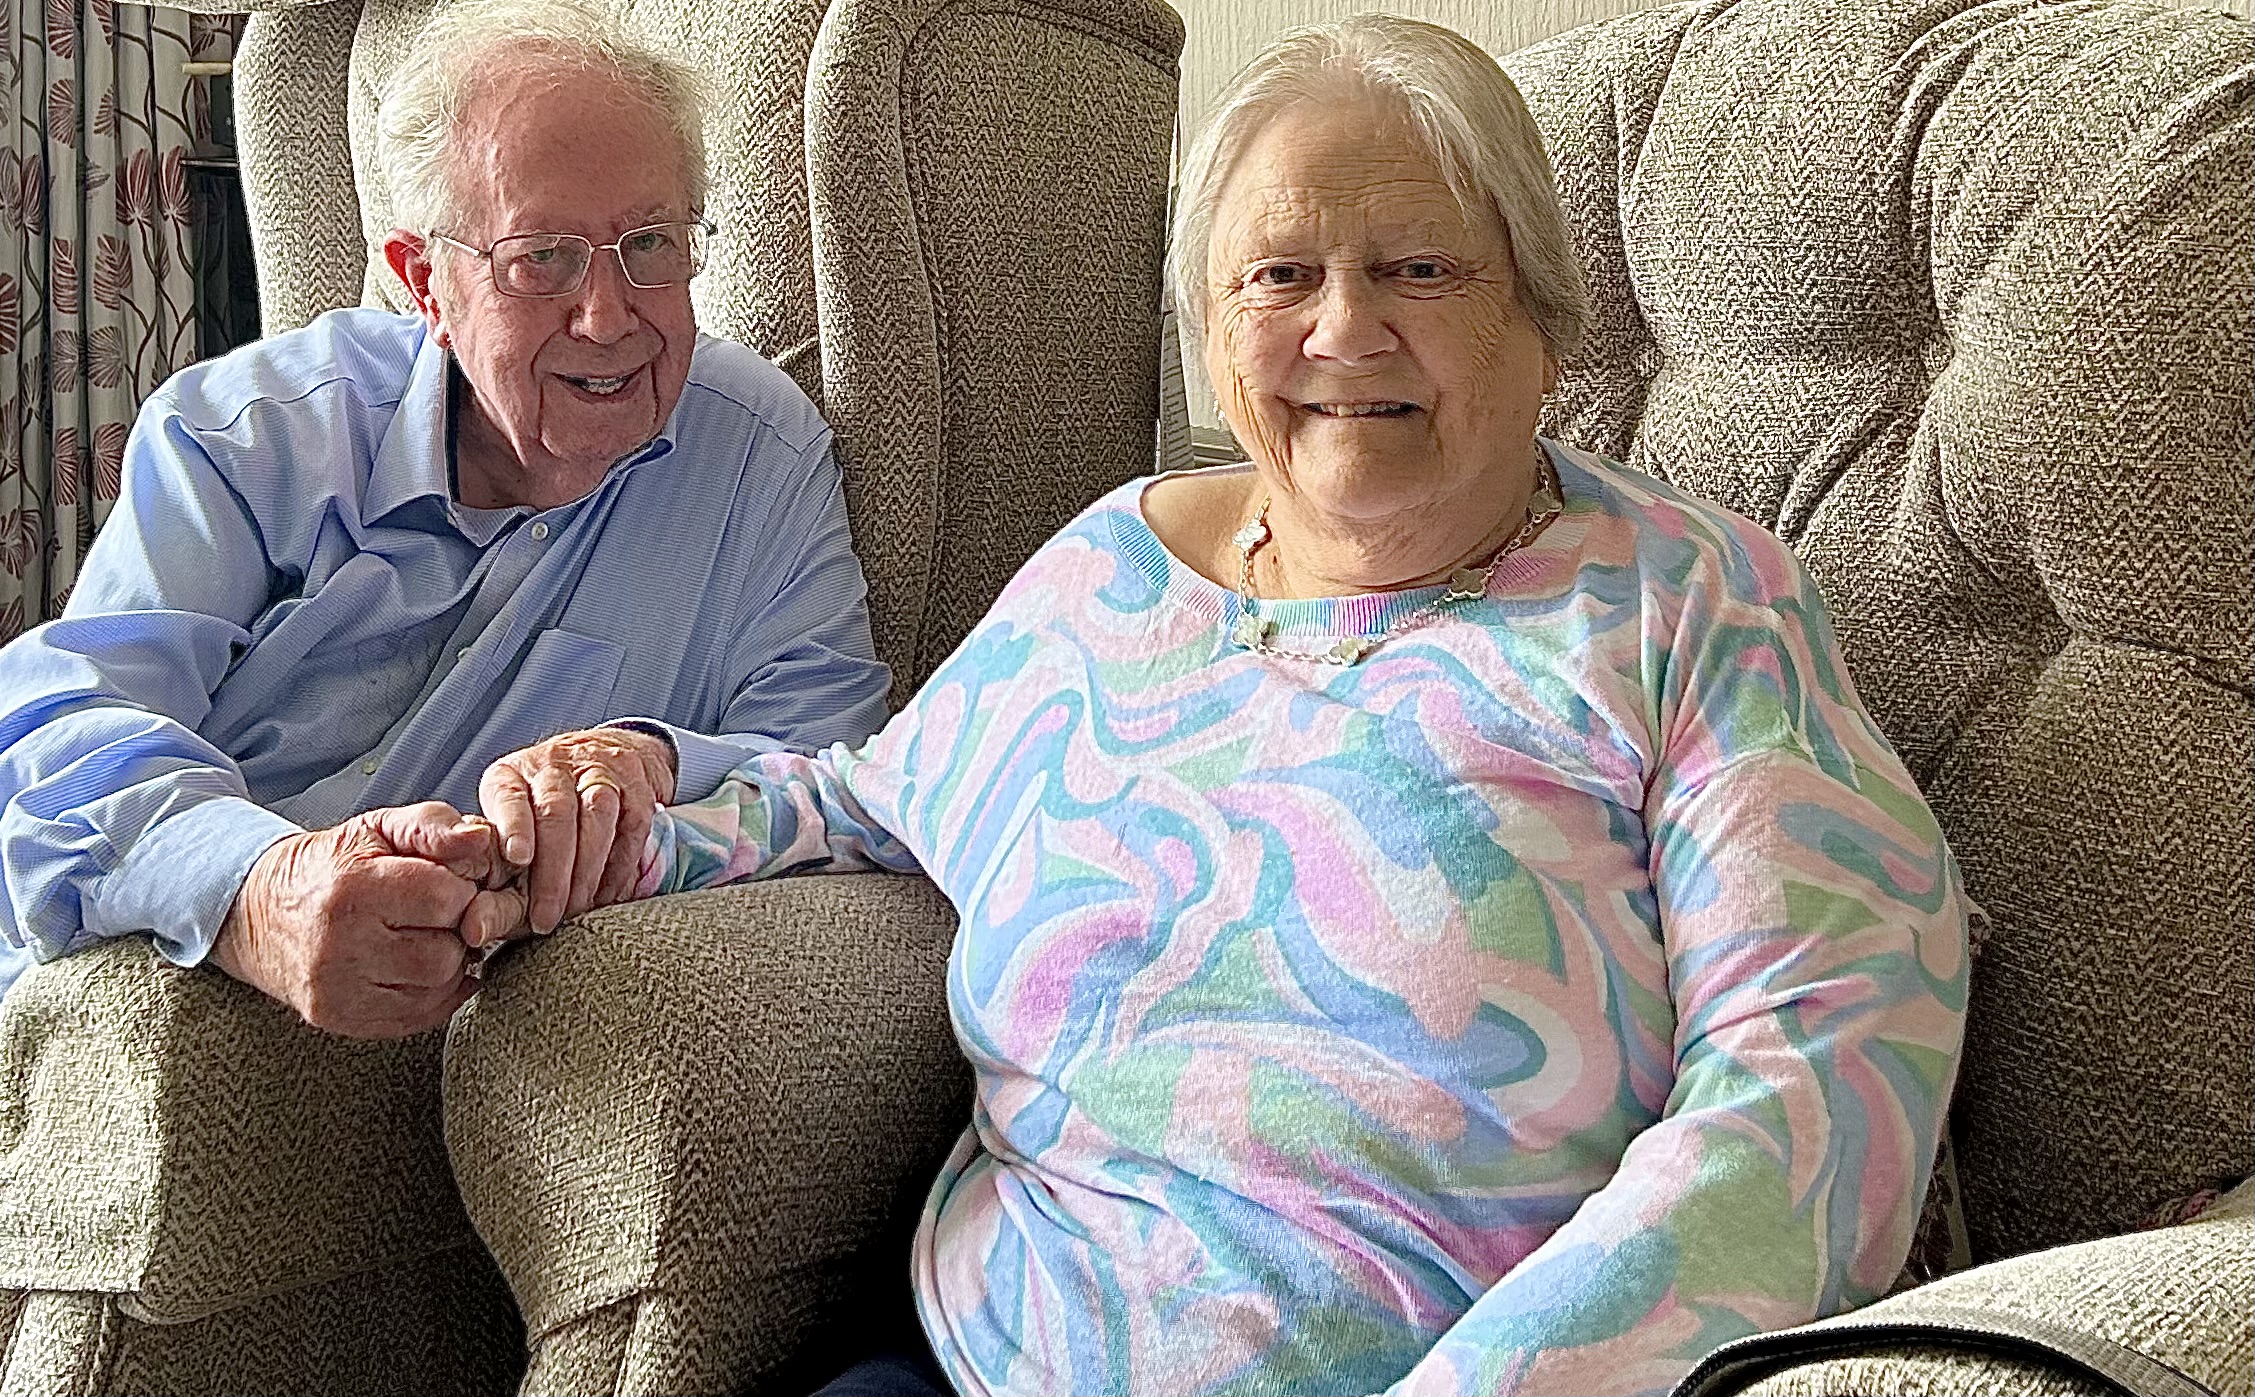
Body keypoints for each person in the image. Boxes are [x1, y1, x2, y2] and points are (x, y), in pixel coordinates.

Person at [498, 15, 1974, 1395]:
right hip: (982, 1361)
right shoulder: (1112, 569)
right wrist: (593, 825)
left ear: (1541, 316)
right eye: (1276, 277)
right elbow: (864, 804)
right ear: (1210, 330)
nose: (1342, 331)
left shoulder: (1688, 605)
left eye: (1418, 270)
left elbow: (1816, 1093)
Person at [0, 0, 889, 1037]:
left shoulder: (759, 455)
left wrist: (654, 759)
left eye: (650, 243)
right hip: (119, 1010)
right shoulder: (250, 435)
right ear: (427, 283)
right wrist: (257, 891)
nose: (608, 316)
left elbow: (848, 778)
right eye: (542, 258)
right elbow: (52, 737)